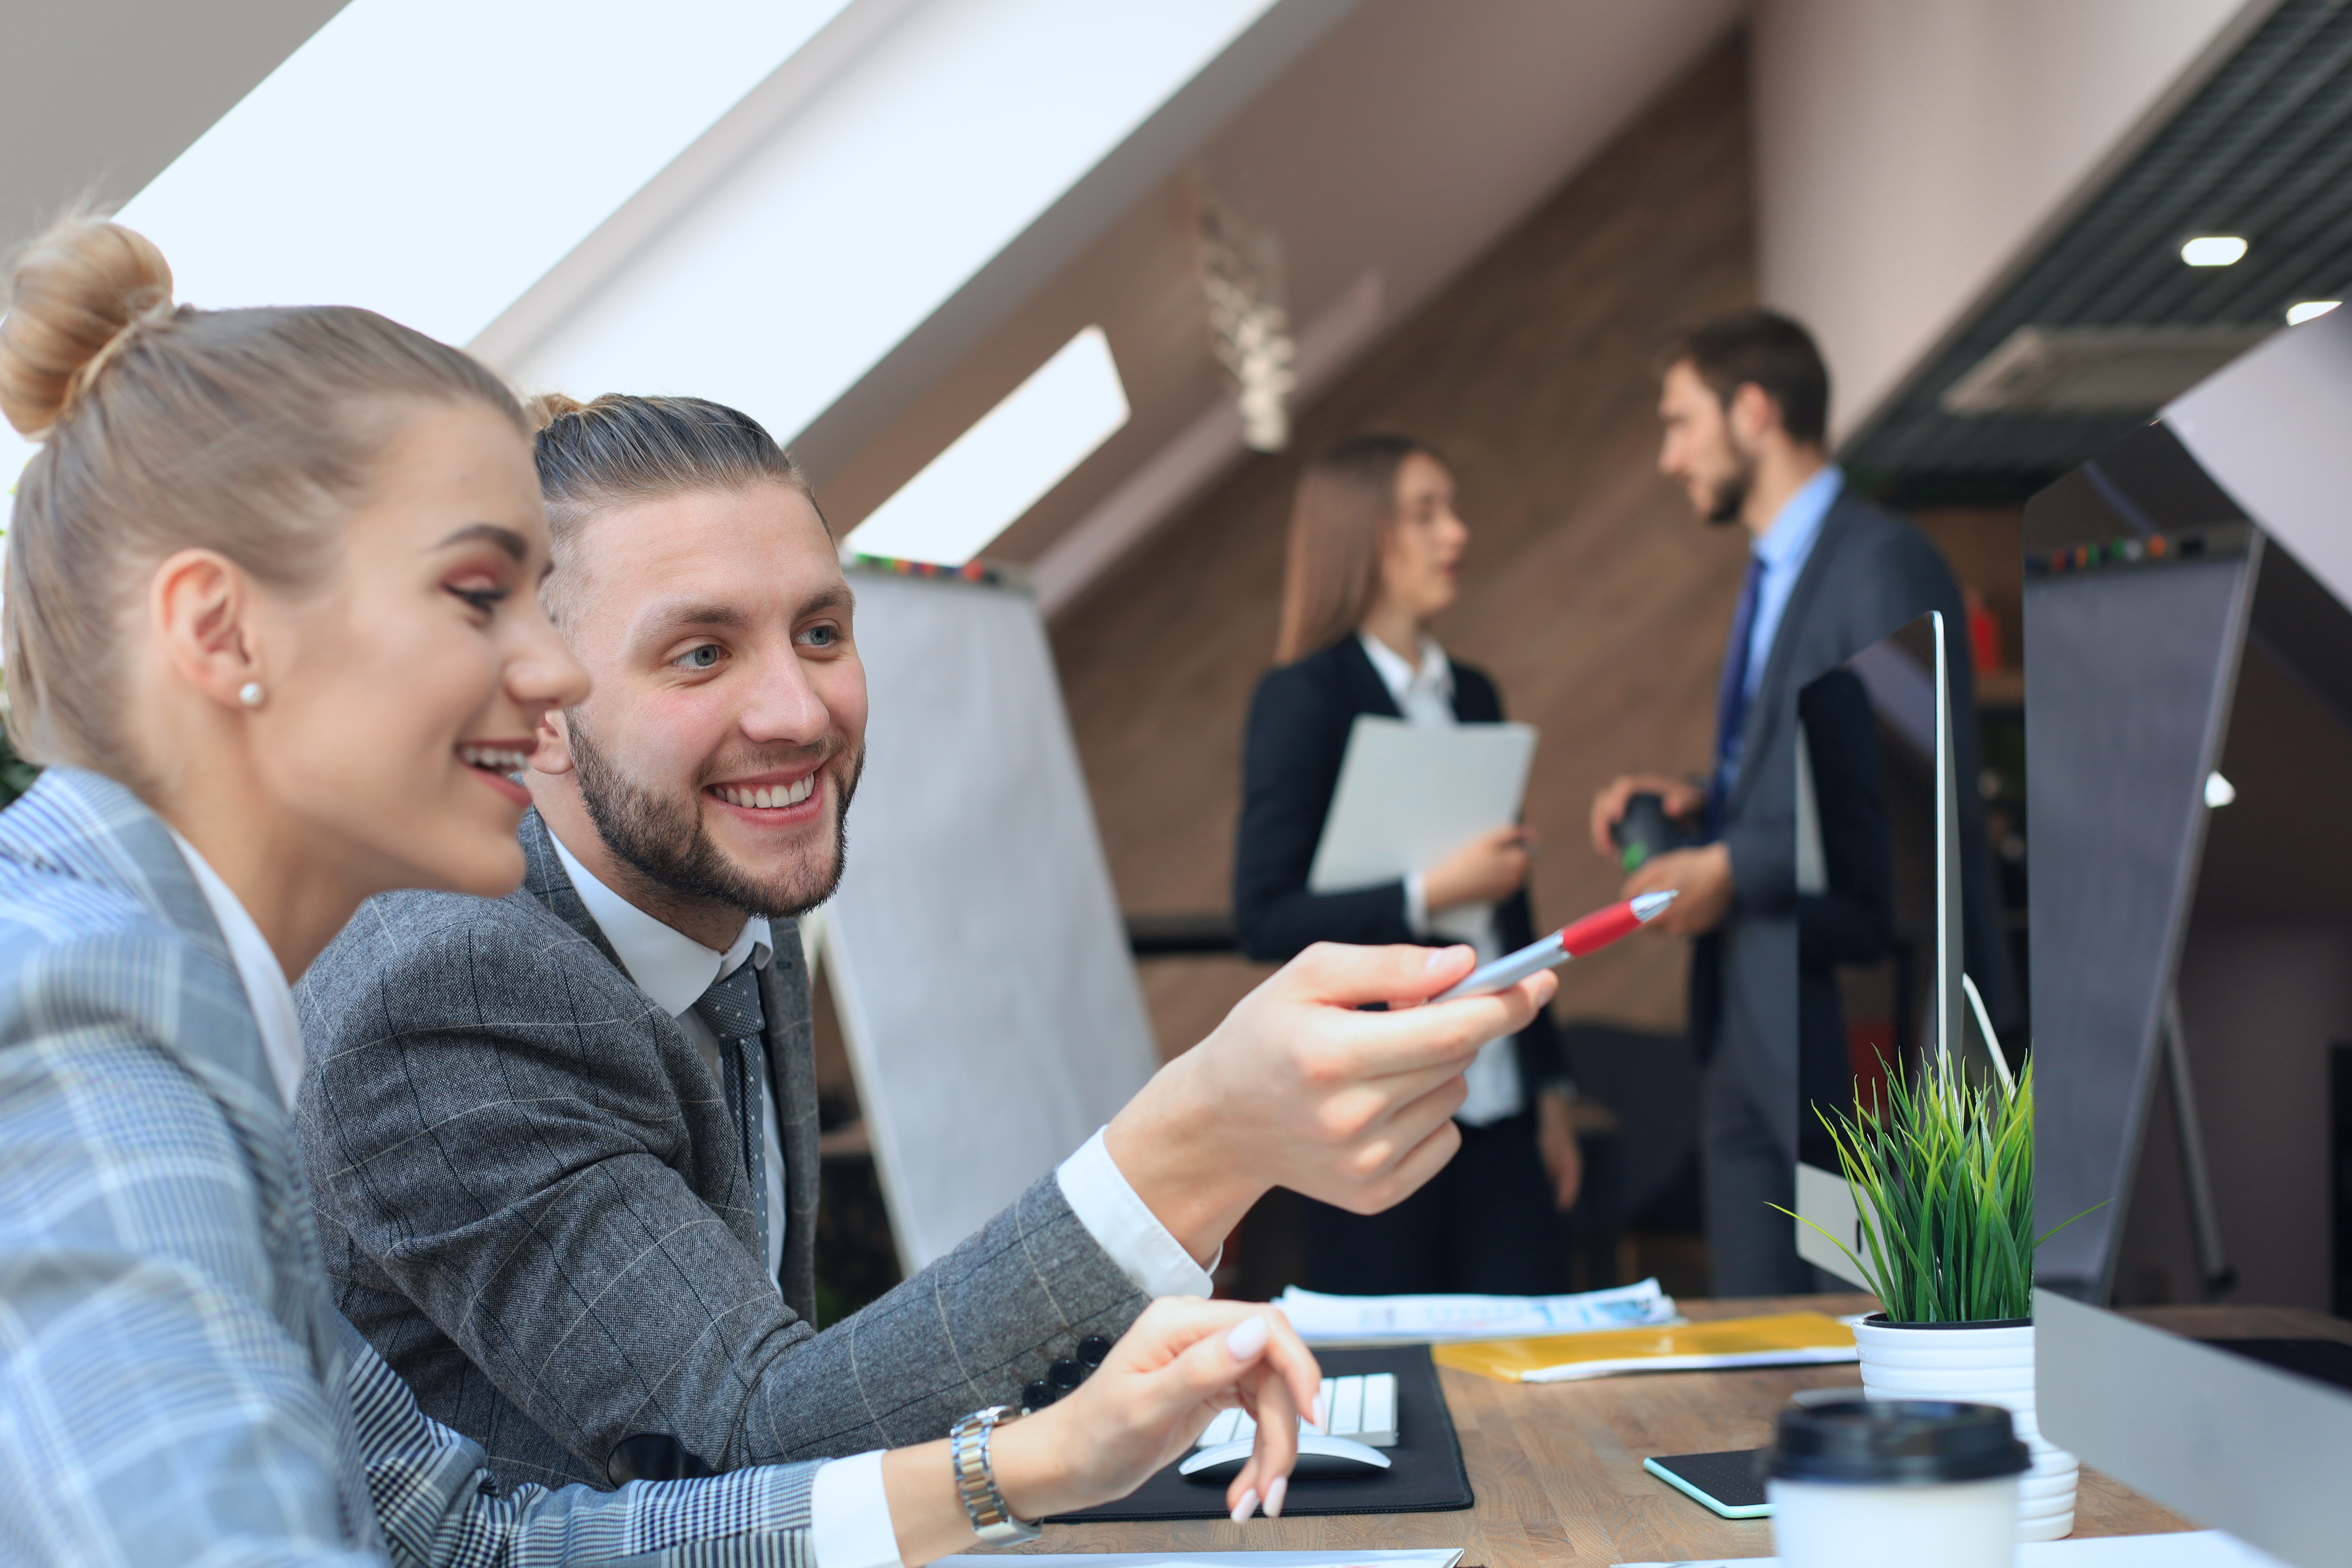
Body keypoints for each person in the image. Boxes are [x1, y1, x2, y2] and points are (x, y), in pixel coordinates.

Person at [0, 215, 1326, 1564]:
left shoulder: (170, 999)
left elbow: (464, 1540)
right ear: (221, 634)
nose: (554, 678)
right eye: (478, 598)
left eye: (822, 631)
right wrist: (1197, 1136)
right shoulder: (77, 1017)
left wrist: (1028, 1463)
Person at [294, 396, 1556, 1491]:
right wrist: (1193, 1142)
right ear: (541, 712)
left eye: (822, 631)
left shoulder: (736, 889)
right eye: (700, 652)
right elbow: (754, 1438)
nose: (798, 711)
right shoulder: (446, 987)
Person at [1587, 309, 2015, 1296]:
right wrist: (1703, 803)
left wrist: (1732, 864)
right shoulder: (1778, 570)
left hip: (1852, 1019)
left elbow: (1905, 815)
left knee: (1864, 1339)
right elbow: (1820, 767)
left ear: (1755, 409)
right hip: (1753, 1009)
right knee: (1756, 1353)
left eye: (1680, 422)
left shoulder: (1879, 563)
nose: (1669, 456)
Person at [1232, 433, 1580, 1295]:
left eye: (1451, 511)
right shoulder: (1302, 698)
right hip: (1374, 1109)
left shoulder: (1475, 694)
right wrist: (1432, 892)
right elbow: (1264, 915)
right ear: (1364, 537)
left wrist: (1552, 1090)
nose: (1455, 533)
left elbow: (1512, 908)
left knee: (1523, 1366)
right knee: (1400, 1378)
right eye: (1427, 513)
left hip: (1498, 1097)